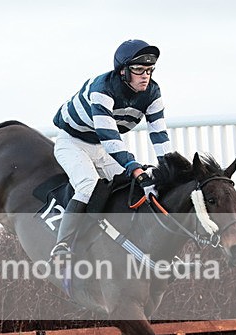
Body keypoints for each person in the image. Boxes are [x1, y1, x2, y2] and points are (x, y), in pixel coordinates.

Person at [49, 39, 173, 258]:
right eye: (138, 69)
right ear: (123, 72)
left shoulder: (153, 92)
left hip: (100, 146)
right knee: (88, 184)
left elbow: (159, 134)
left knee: (136, 186)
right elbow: (109, 136)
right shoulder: (102, 89)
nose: (146, 75)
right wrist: (135, 167)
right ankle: (62, 245)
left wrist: (170, 167)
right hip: (72, 142)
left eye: (149, 69)